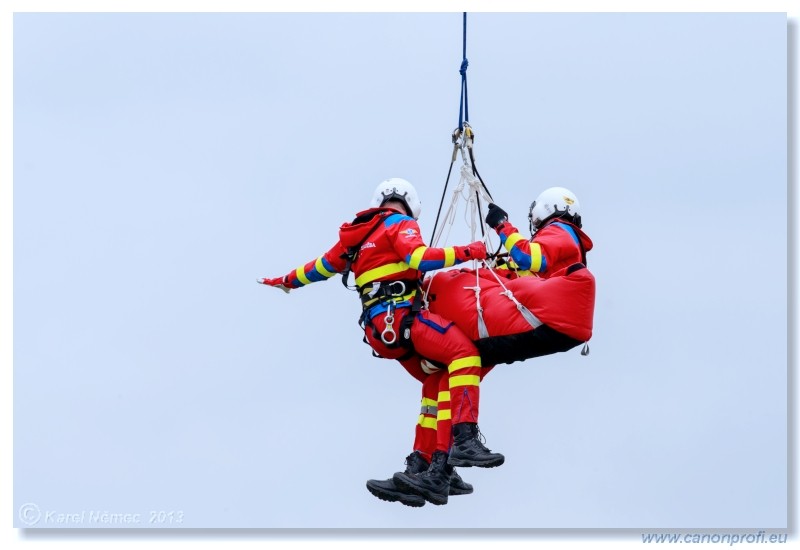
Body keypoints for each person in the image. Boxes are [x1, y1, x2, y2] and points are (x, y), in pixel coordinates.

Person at [258, 177, 504, 506]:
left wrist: (286, 281)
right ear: (411, 205)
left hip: (381, 333)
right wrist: (469, 252)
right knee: (465, 355)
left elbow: (319, 268)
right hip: (404, 320)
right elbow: (418, 258)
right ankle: (462, 442)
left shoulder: (355, 238)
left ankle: (424, 465)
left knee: (436, 381)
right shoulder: (399, 223)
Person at [373, 186, 595, 506]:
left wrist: (502, 225)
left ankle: (461, 443)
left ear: (548, 210)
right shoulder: (563, 250)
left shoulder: (560, 231)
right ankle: (435, 467)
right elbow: (523, 270)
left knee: (457, 358)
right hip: (549, 326)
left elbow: (527, 256)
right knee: (446, 380)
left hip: (550, 318)